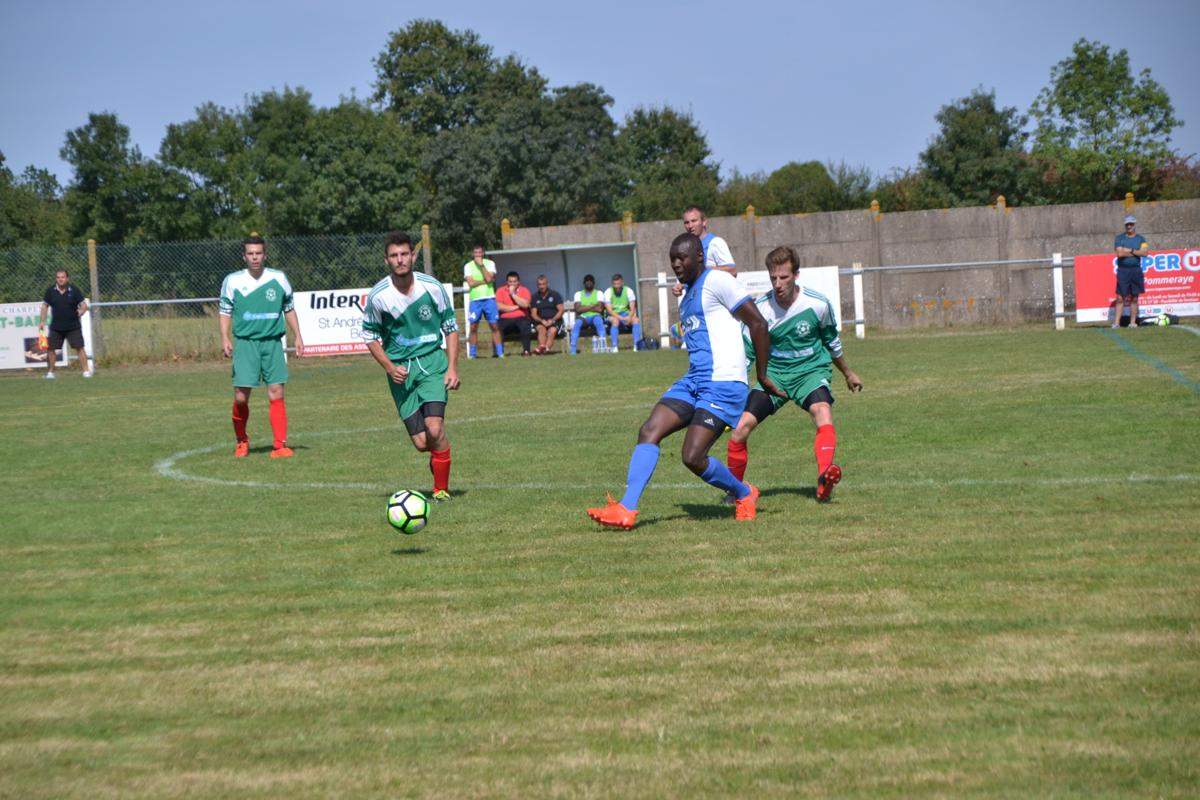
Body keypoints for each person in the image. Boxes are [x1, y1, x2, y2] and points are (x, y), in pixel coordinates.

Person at [587, 233, 783, 529]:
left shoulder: (717, 281)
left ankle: (744, 493)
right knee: (650, 429)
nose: (677, 264)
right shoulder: (689, 294)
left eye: (683, 257)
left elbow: (758, 323)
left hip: (723, 382)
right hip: (694, 380)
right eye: (673, 259)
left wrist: (762, 374)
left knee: (692, 456)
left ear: (700, 257)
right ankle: (626, 508)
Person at [724, 246, 863, 504]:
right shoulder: (760, 310)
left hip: (810, 371)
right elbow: (746, 354)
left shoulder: (818, 304)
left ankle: (824, 478)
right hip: (774, 374)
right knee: (740, 428)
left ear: (796, 275)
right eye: (773, 278)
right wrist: (730, 392)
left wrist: (847, 372)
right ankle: (734, 492)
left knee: (822, 411)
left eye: (784, 277)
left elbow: (831, 341)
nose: (778, 284)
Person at [362, 231, 460, 501]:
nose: (400, 260)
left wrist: (452, 367)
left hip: (432, 363)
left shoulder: (432, 287)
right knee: (421, 443)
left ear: (413, 255)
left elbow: (451, 329)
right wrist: (390, 367)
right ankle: (439, 457)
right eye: (394, 255)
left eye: (404, 254)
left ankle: (441, 491)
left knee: (435, 428)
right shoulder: (378, 296)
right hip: (401, 372)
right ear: (386, 260)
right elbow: (369, 337)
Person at [218, 234, 304, 458]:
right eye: (250, 254)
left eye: (258, 253)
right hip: (246, 344)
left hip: (272, 342)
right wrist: (225, 337)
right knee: (241, 397)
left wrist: (299, 336)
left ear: (265, 255)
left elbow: (289, 309)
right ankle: (241, 440)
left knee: (276, 392)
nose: (255, 258)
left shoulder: (279, 278)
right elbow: (225, 311)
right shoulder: (233, 281)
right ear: (244, 256)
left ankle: (280, 446)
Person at [674, 205, 737, 299]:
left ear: (704, 222)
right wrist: (681, 286)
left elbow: (732, 271)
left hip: (715, 302)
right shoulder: (688, 248)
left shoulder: (716, 242)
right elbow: (693, 278)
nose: (690, 226)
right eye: (686, 222)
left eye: (694, 221)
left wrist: (703, 270)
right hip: (695, 302)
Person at [39, 269, 91, 379]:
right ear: (56, 279)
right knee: (51, 349)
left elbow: (84, 305)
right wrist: (42, 321)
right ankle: (50, 373)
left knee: (79, 348)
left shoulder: (74, 290)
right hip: (56, 327)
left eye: (62, 277)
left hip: (73, 326)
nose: (60, 279)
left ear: (67, 278)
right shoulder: (50, 291)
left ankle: (86, 372)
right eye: (58, 277)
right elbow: (44, 306)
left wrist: (81, 311)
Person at [463, 245, 502, 358]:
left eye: (480, 252)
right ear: (473, 254)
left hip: (489, 298)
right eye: (476, 253)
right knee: (473, 327)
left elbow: (490, 279)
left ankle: (500, 353)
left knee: (494, 326)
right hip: (475, 300)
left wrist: (481, 266)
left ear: (483, 253)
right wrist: (485, 281)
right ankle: (473, 354)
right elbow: (471, 283)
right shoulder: (468, 266)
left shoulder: (490, 263)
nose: (478, 255)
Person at [1112, 214, 1149, 328]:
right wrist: (1135, 252)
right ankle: (1117, 323)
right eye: (1127, 224)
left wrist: (1129, 250)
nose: (1129, 226)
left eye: (1131, 224)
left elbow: (1144, 253)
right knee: (1120, 298)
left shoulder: (1141, 239)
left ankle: (1132, 323)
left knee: (1134, 298)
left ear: (1134, 224)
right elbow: (1119, 253)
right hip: (1123, 271)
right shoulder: (1119, 238)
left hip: (1136, 271)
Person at [495, 271, 533, 356]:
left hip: (521, 318)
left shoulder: (524, 290)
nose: (512, 284)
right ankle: (498, 353)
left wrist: (513, 294)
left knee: (525, 325)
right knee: (497, 328)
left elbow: (526, 305)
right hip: (505, 318)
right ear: (507, 282)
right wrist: (517, 307)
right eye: (510, 282)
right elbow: (499, 307)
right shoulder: (500, 290)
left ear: (518, 282)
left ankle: (526, 351)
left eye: (515, 281)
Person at [603, 273, 643, 351]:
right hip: (613, 315)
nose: (617, 286)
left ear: (622, 283)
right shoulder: (608, 292)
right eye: (614, 284)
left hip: (625, 313)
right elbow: (609, 310)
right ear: (612, 284)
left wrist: (630, 317)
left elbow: (633, 308)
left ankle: (636, 345)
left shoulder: (629, 291)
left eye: (618, 284)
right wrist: (620, 318)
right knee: (615, 321)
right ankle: (615, 347)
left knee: (636, 320)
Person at [570, 274, 608, 354]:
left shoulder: (599, 293)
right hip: (583, 317)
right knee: (577, 324)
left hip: (595, 316)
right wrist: (593, 306)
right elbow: (578, 309)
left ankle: (603, 346)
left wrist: (585, 307)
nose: (589, 283)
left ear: (593, 283)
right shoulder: (578, 294)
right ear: (584, 283)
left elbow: (600, 309)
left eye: (590, 282)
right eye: (587, 282)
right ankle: (573, 350)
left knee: (599, 322)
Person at [530, 274, 565, 354]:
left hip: (554, 320)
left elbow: (561, 310)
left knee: (552, 331)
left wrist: (552, 320)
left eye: (543, 284)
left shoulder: (555, 295)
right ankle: (543, 347)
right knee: (541, 330)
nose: (541, 286)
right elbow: (534, 314)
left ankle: (544, 349)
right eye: (539, 284)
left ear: (547, 284)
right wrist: (542, 321)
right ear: (537, 285)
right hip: (540, 321)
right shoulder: (535, 297)